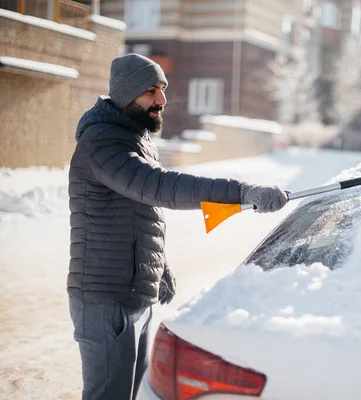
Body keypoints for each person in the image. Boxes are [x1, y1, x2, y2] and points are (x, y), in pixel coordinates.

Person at [67, 53, 288, 400]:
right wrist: (242, 192)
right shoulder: (101, 143)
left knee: (135, 394)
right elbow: (160, 187)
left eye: (162, 89)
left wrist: (158, 267)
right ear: (126, 96)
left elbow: (139, 214)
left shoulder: (135, 140)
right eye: (151, 91)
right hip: (105, 300)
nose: (162, 100)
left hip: (135, 294)